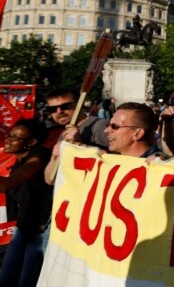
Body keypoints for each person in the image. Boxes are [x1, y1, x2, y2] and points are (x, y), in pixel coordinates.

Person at [0, 119, 52, 287]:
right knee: (6, 276)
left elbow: (9, 183)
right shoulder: (19, 159)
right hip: (23, 226)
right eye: (9, 135)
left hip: (41, 231)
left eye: (15, 137)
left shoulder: (40, 157)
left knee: (27, 281)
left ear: (31, 142)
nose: (8, 140)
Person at [43, 88, 109, 149]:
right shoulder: (64, 131)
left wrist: (78, 142)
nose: (59, 112)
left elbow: (110, 158)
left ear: (79, 105)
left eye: (65, 106)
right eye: (52, 109)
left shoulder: (99, 125)